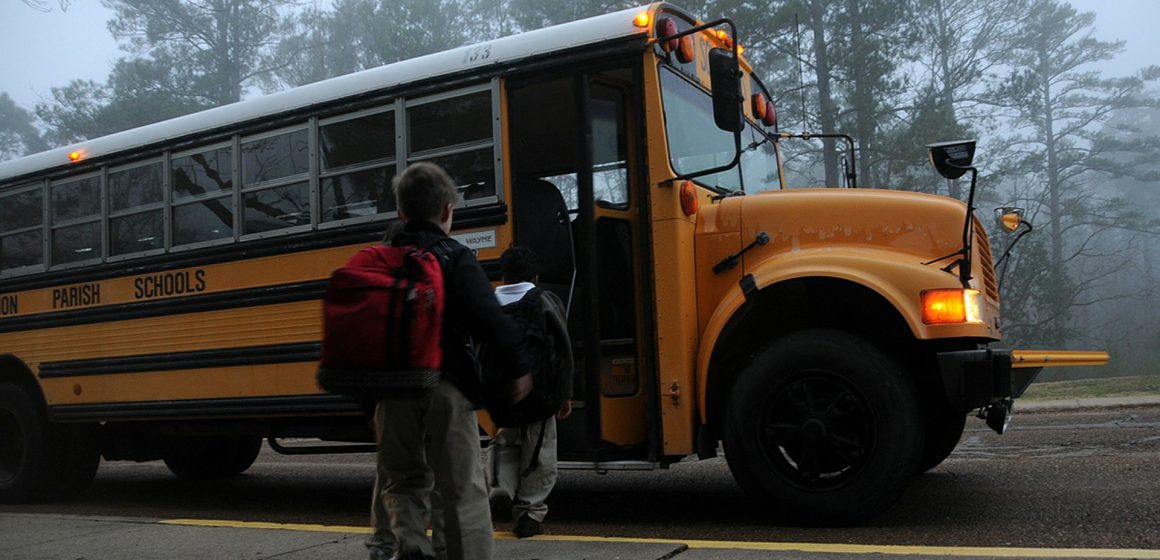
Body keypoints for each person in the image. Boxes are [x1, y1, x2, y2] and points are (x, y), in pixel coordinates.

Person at [367, 162, 533, 560]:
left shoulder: (379, 260)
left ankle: (410, 546)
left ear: (400, 213)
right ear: (446, 211)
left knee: (402, 481)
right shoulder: (454, 256)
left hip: (392, 392)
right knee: (462, 489)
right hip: (446, 385)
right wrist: (516, 370)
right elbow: (490, 320)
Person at [485, 246, 574, 539]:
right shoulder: (545, 300)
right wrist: (564, 394)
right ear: (535, 277)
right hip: (540, 396)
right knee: (539, 452)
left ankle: (500, 487)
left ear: (503, 275)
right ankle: (530, 514)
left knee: (505, 443)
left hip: (501, 396)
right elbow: (563, 349)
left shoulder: (488, 303)